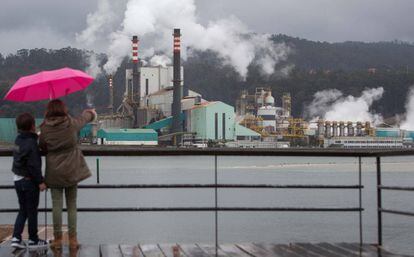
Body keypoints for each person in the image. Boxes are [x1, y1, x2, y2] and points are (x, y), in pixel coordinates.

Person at [39, 99, 96, 249]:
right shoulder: (70, 123)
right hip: (71, 169)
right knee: (72, 205)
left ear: (49, 111)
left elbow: (42, 147)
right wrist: (91, 113)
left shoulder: (44, 128)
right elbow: (84, 119)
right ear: (63, 110)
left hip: (54, 172)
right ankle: (72, 239)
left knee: (56, 205)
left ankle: (57, 239)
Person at [11, 113, 48, 249]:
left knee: (23, 210)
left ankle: (16, 237)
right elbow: (33, 165)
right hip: (29, 181)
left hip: (17, 179)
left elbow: (21, 154)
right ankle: (33, 239)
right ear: (32, 126)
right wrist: (40, 182)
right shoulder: (32, 143)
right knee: (32, 211)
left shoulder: (17, 140)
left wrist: (38, 134)